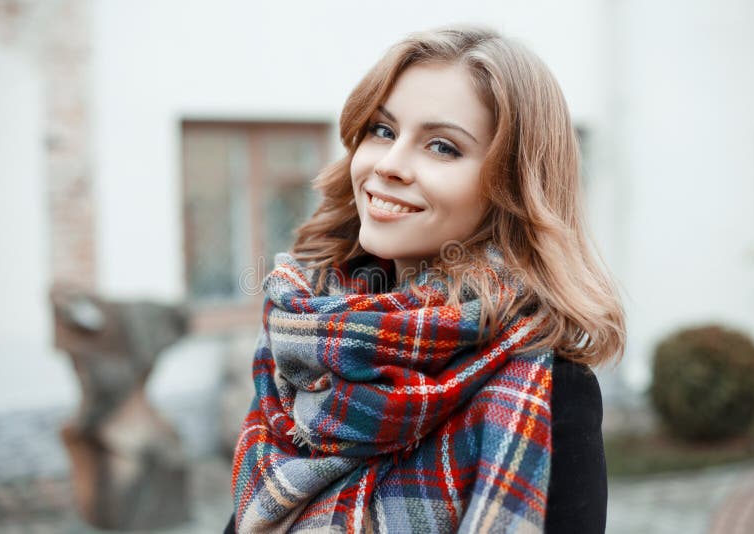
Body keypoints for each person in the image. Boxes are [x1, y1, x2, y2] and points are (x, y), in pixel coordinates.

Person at [225, 24, 625, 534]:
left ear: (514, 184)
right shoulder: (301, 335)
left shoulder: (551, 386)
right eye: (383, 131)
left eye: (442, 147)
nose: (389, 165)